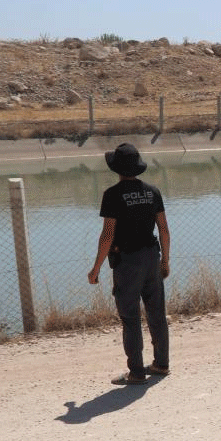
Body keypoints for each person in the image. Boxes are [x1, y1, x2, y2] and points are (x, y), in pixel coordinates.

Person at [88, 143, 170, 385]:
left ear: (117, 169)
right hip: (151, 257)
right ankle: (161, 364)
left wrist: (96, 268)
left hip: (127, 262)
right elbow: (164, 229)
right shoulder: (152, 192)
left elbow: (107, 236)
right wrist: (165, 260)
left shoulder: (112, 195)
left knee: (130, 317)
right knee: (157, 312)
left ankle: (136, 373)